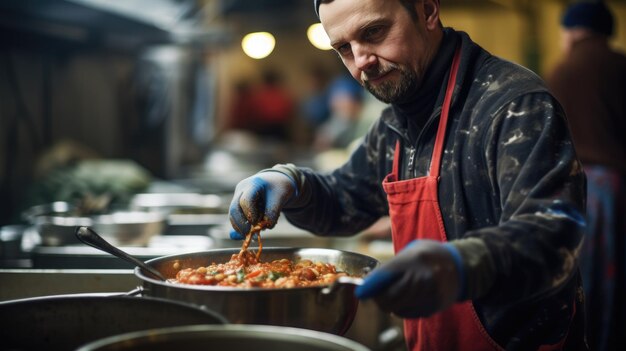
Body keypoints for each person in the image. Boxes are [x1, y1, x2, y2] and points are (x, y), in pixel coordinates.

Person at [229, 0, 588, 350]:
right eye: (344, 48)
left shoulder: (512, 105)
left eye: (374, 31)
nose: (361, 62)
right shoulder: (398, 119)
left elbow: (554, 233)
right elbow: (346, 199)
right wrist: (293, 183)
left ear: (427, 11)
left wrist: (461, 265)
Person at [546, 2, 626, 350]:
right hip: (619, 188)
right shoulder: (621, 66)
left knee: (584, 281)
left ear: (573, 31)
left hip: (577, 191)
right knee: (617, 281)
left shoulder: (561, 71)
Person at [313, 74, 365, 151]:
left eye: (344, 101)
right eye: (336, 101)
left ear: (357, 103)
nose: (340, 106)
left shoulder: (368, 121)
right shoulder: (337, 121)